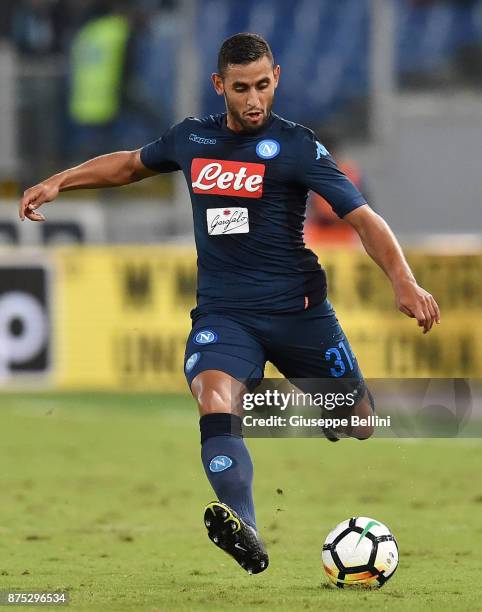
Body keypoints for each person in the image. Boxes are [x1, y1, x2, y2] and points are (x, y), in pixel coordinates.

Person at [19, 32, 440, 576]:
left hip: (300, 314)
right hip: (226, 315)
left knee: (359, 422)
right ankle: (246, 528)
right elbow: (129, 164)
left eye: (263, 85)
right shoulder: (192, 138)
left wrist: (403, 281)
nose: (253, 99)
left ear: (277, 79)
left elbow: (362, 217)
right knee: (214, 397)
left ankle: (278, 404)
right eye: (241, 88)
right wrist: (60, 181)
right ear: (220, 85)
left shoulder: (297, 147)